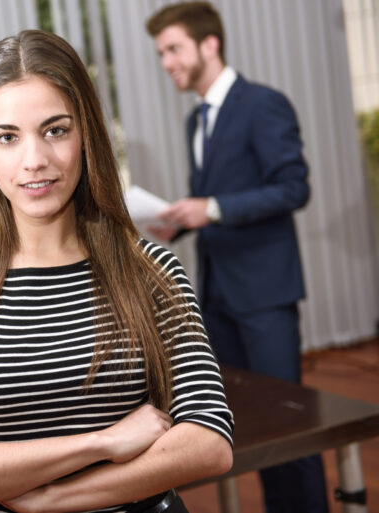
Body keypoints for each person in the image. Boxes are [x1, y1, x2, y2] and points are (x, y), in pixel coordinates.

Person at [0, 30, 233, 513]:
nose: (35, 161)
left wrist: (44, 499)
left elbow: (208, 440)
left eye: (55, 130)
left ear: (87, 135)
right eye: (8, 137)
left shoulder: (151, 268)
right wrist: (102, 442)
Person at [145, 3, 328, 512]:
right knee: (250, 424)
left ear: (210, 44)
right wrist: (179, 223)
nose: (166, 62)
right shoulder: (195, 121)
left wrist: (216, 207)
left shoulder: (263, 104)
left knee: (295, 423)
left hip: (265, 293)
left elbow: (294, 188)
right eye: (161, 53)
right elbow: (217, 205)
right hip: (218, 297)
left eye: (173, 49)